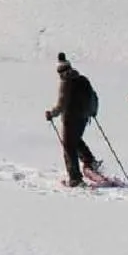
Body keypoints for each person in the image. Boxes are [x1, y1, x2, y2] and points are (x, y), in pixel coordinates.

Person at [44, 52, 103, 187]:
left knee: (68, 146)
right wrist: (92, 112)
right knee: (75, 140)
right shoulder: (82, 79)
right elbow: (94, 97)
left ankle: (75, 178)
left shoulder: (66, 82)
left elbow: (61, 104)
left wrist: (51, 114)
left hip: (71, 118)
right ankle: (90, 161)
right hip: (84, 117)